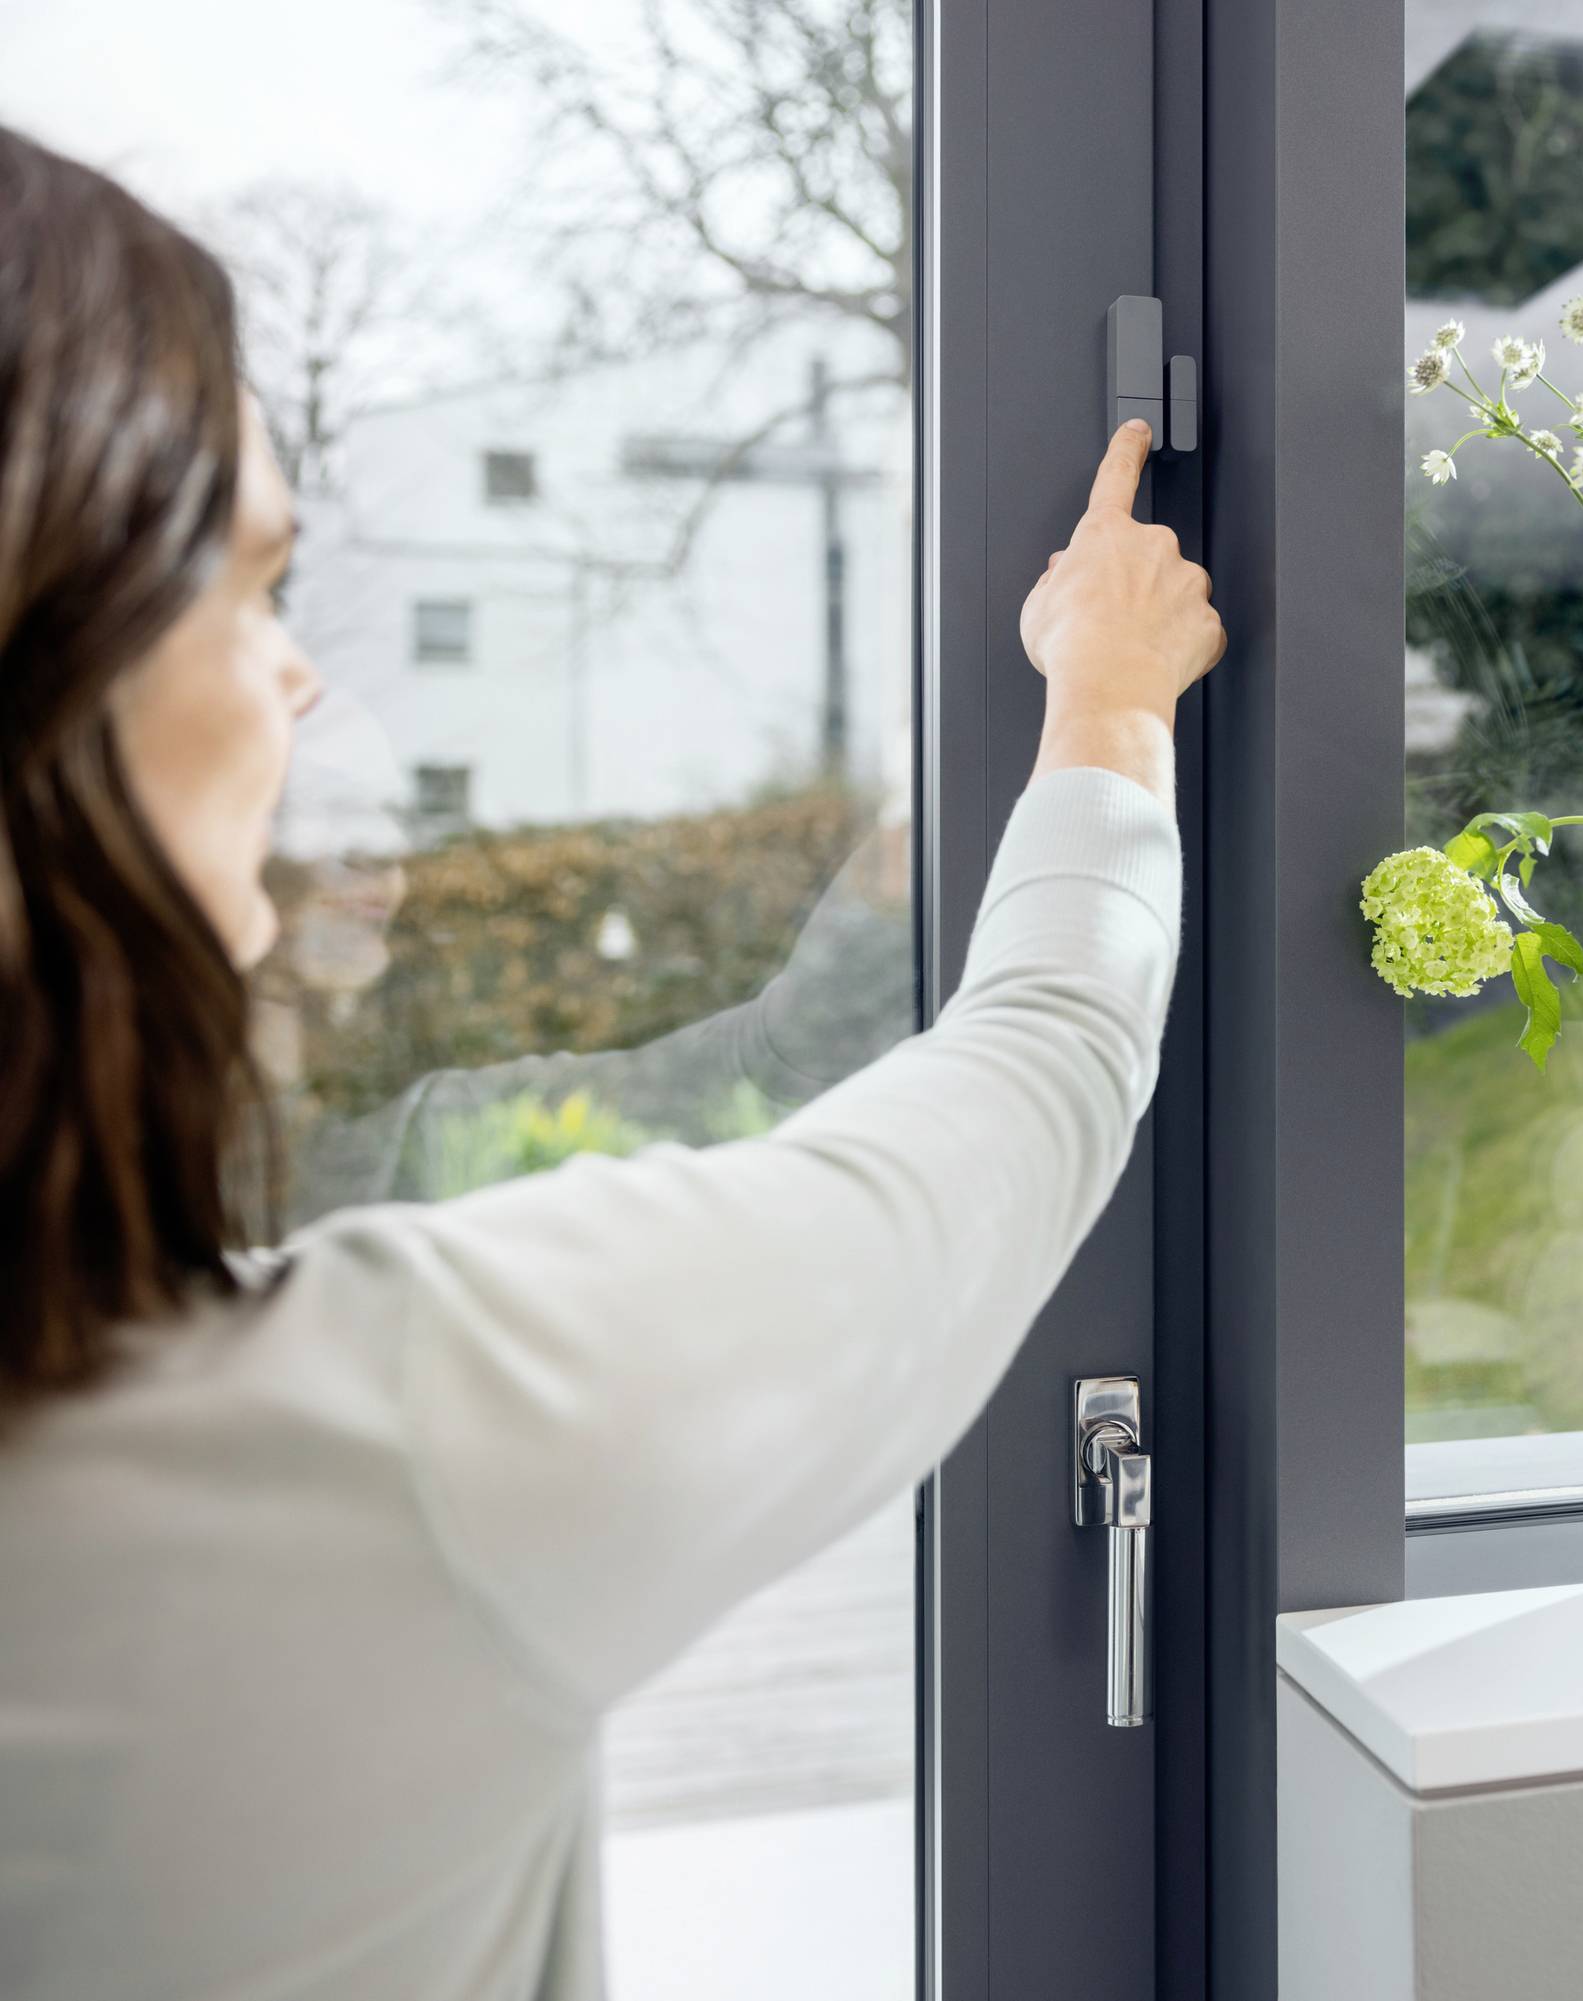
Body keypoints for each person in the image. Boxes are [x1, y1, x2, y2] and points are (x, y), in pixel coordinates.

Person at [0, 127, 1221, 1998]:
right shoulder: (375, 1451)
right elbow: (1037, 1065)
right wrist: (1111, 700)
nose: (301, 684)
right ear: (51, 678)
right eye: (250, 593)